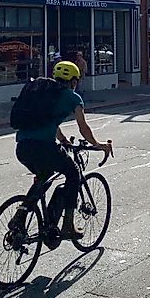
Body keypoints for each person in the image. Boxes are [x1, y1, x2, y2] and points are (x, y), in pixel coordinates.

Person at [12, 61, 112, 240]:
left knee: (44, 177)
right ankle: (67, 225)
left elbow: (50, 122)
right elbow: (83, 128)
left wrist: (64, 140)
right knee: (73, 173)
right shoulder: (72, 98)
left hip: (22, 147)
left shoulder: (44, 93)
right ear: (74, 81)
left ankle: (20, 216)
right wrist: (99, 145)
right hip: (44, 147)